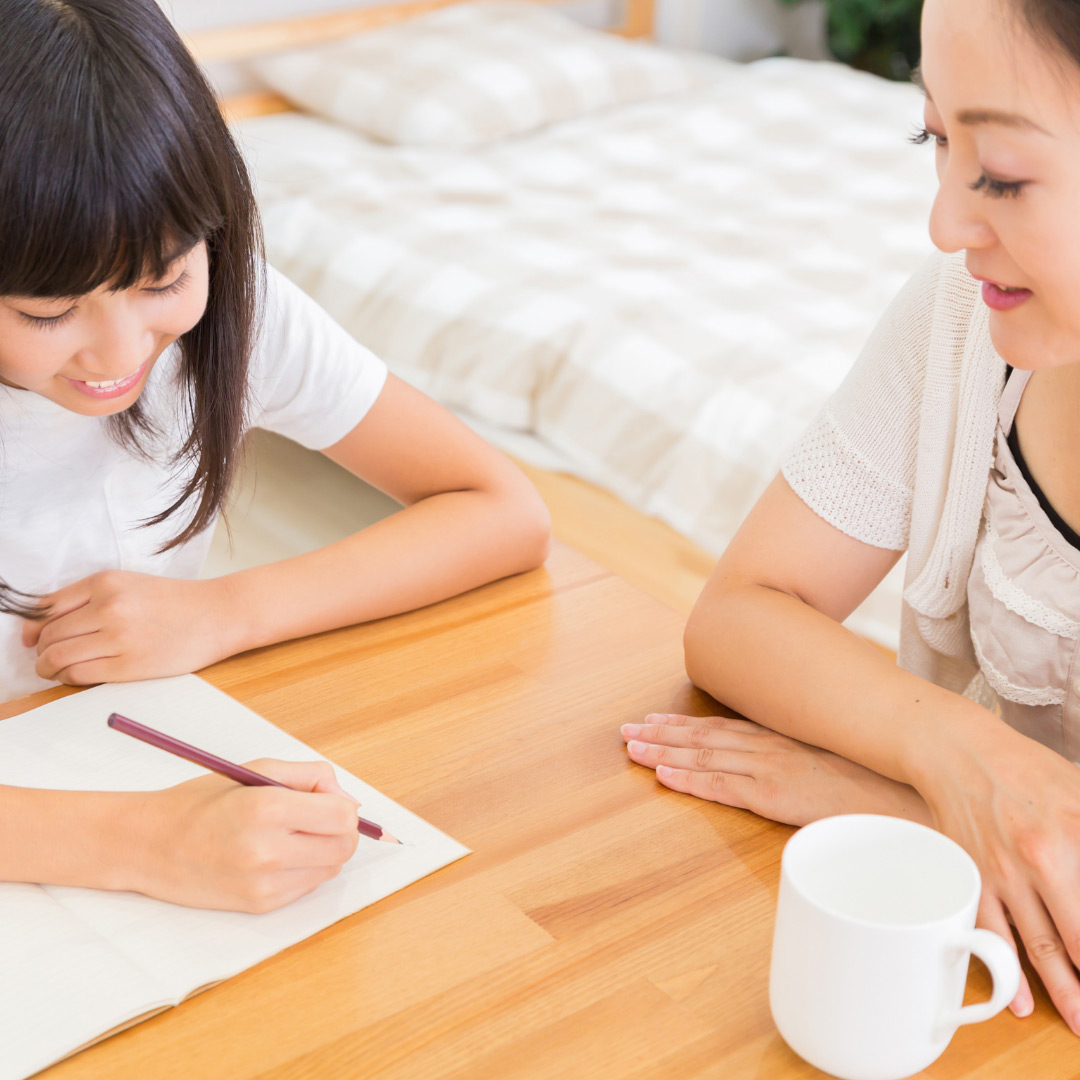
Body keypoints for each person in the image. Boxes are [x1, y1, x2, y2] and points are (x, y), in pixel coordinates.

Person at [0, 0, 550, 912]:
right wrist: (142, 842)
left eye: (164, 279)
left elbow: (500, 509)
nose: (119, 352)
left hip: (112, 744)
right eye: (48, 313)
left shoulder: (236, 310)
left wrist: (223, 612)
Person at [623, 0, 1080, 1036]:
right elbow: (739, 617)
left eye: (1002, 172)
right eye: (935, 138)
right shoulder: (965, 316)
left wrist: (885, 802)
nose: (945, 222)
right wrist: (962, 758)